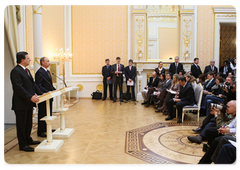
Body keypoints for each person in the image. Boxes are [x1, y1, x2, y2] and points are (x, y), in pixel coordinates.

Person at [10, 51, 43, 152]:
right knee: (22, 125)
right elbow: (18, 87)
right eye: (28, 58)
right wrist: (30, 97)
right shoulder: (16, 71)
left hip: (28, 102)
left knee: (28, 123)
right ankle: (23, 145)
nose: (30, 60)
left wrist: (40, 93)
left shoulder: (27, 70)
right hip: (20, 103)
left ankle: (28, 139)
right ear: (22, 60)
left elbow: (32, 85)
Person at [197, 100, 237, 164]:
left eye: (228, 107)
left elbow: (221, 124)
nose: (226, 108)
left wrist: (218, 115)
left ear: (235, 108)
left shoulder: (233, 114)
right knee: (210, 130)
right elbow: (232, 124)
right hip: (232, 132)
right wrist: (226, 127)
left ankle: (210, 157)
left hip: (235, 135)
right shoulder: (236, 114)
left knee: (219, 140)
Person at [35, 57, 56, 137]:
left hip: (49, 96)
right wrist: (46, 92)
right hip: (44, 96)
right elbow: (38, 85)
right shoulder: (39, 72)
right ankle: (40, 131)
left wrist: (54, 89)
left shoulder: (47, 71)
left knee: (48, 113)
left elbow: (49, 84)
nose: (49, 62)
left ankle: (47, 128)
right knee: (42, 113)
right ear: (42, 62)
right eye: (47, 61)